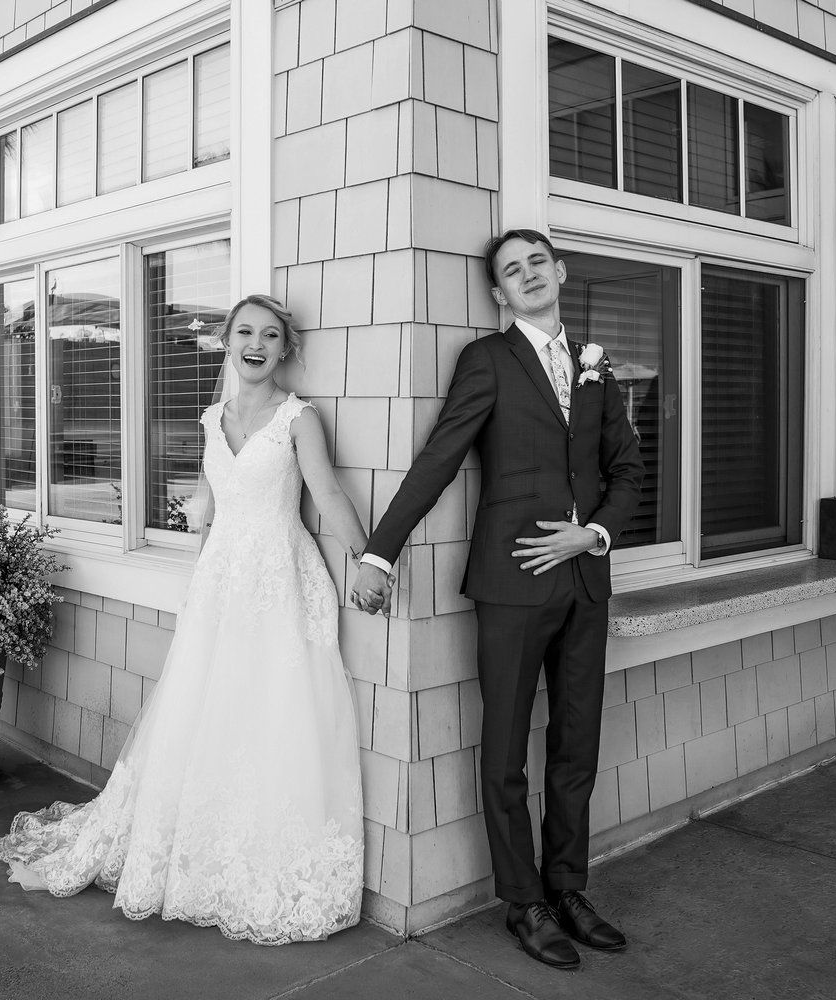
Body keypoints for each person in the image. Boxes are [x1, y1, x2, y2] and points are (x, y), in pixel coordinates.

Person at [0, 294, 368, 946]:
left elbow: (328, 494)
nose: (257, 343)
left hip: (279, 579)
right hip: (223, 582)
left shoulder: (298, 418)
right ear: (227, 340)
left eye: (271, 335)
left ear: (287, 349)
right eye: (245, 331)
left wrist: (371, 560)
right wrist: (201, 581)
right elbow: (211, 509)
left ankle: (259, 854)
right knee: (210, 710)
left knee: (275, 713)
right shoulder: (212, 418)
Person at [352, 229, 643, 970]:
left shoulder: (598, 369)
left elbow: (628, 472)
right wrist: (381, 551)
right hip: (512, 585)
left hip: (585, 580)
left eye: (537, 263)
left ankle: (570, 888)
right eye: (512, 271)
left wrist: (595, 536)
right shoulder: (486, 360)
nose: (528, 276)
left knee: (576, 747)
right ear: (499, 293)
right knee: (507, 749)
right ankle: (526, 903)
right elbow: (440, 457)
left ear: (560, 271)